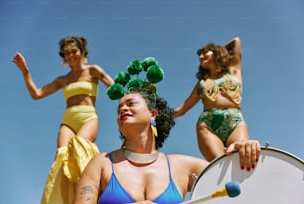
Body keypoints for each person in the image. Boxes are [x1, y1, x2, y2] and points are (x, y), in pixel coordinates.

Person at [74, 87, 260, 204]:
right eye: (119, 108)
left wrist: (242, 153)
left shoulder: (184, 166)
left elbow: (236, 189)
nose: (123, 109)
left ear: (153, 114)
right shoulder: (101, 164)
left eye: (131, 103)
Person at [12, 36, 114, 204]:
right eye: (66, 53)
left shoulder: (93, 70)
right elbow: (36, 94)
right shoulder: (63, 79)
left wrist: (136, 98)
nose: (71, 55)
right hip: (68, 120)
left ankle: (93, 193)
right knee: (62, 156)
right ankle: (64, 199)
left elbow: (115, 87)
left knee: (80, 149)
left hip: (88, 116)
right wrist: (25, 71)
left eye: (74, 51)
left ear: (82, 52)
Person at [173, 37, 258, 170]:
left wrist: (219, 50)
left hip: (234, 120)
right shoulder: (202, 83)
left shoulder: (234, 69)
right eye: (199, 55)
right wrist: (159, 116)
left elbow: (236, 41)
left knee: (242, 162)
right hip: (208, 124)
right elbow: (182, 109)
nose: (201, 57)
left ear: (216, 53)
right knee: (218, 166)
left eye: (205, 53)